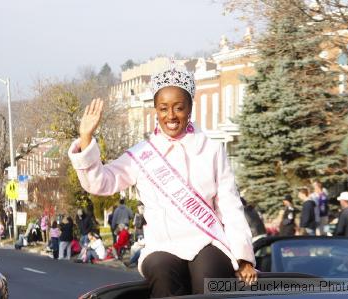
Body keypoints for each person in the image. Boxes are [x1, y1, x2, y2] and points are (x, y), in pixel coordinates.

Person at [68, 66, 257, 297]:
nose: (171, 116)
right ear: (156, 110)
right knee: (162, 271)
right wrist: (86, 138)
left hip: (208, 241)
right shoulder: (143, 154)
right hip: (162, 245)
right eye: (163, 108)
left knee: (209, 274)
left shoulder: (212, 149)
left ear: (189, 108)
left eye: (179, 108)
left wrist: (243, 257)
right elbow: (101, 182)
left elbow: (230, 206)